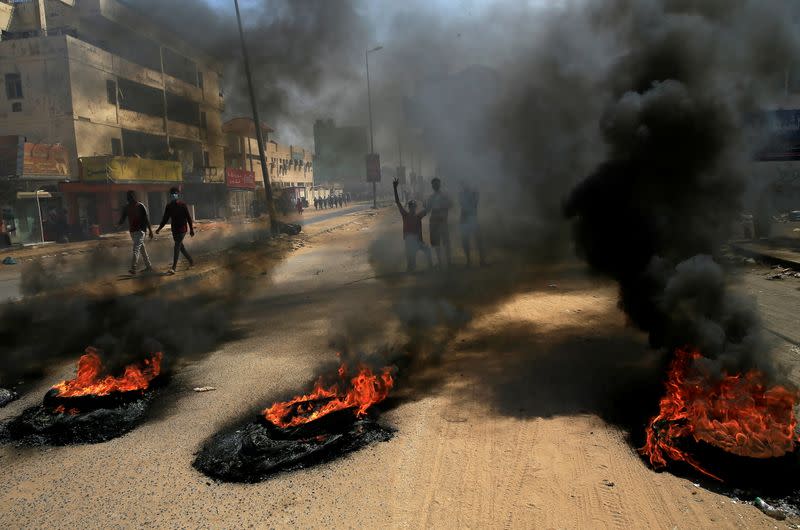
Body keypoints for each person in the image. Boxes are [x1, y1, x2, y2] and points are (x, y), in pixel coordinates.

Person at [394, 178, 432, 272]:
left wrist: (425, 202)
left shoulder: (416, 216)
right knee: (411, 263)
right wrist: (395, 188)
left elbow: (428, 209)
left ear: (415, 208)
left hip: (417, 241)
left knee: (427, 251)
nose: (412, 208)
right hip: (410, 242)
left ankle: (429, 267)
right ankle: (412, 267)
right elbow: (398, 202)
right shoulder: (405, 215)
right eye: (411, 207)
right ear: (410, 207)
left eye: (413, 207)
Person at [156, 187, 194, 275]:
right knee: (181, 247)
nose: (174, 195)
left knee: (177, 246)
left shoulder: (183, 205)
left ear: (178, 194)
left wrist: (191, 229)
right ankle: (191, 261)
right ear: (170, 195)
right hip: (174, 230)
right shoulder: (169, 206)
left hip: (182, 229)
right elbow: (165, 219)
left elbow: (188, 218)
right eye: (172, 193)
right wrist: (159, 228)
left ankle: (173, 268)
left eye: (175, 193)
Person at [116, 190, 154, 275]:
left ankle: (133, 267)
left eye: (131, 196)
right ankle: (149, 266)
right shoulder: (126, 207)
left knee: (136, 249)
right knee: (142, 249)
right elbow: (123, 218)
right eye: (128, 196)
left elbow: (146, 219)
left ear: (134, 197)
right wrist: (118, 225)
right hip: (132, 232)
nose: (130, 198)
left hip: (140, 231)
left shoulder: (141, 206)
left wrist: (150, 231)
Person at [425, 177, 452, 269]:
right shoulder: (431, 197)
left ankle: (449, 262)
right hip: (434, 222)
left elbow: (450, 205)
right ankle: (440, 262)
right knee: (436, 243)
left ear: (439, 185)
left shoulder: (445, 195)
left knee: (446, 242)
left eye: (437, 184)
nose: (435, 185)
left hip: (442, 221)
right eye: (434, 184)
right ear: (432, 186)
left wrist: (442, 208)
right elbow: (428, 209)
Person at [459, 182, 485, 266]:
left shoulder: (473, 193)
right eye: (463, 185)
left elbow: (474, 204)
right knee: (466, 241)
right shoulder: (462, 194)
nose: (465, 186)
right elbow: (464, 205)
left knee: (477, 240)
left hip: (471, 218)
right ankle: (469, 261)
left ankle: (480, 260)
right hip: (466, 218)